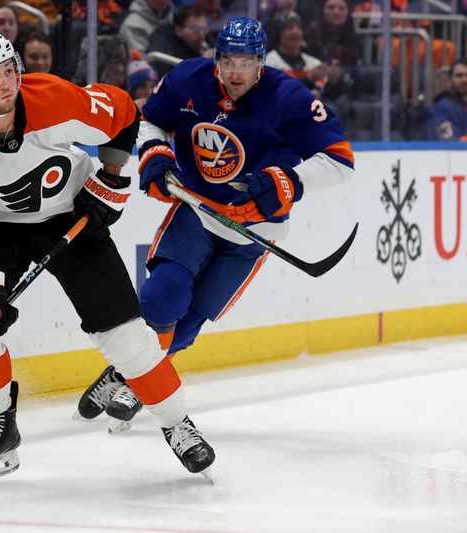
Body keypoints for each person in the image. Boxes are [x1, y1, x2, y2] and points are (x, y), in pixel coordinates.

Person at [0, 26, 214, 484]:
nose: (5, 83)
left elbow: (121, 112)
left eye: (7, 70)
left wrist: (112, 178)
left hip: (72, 218)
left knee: (125, 338)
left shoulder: (52, 98)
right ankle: (0, 424)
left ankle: (177, 422)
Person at [77, 17, 354, 431]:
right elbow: (149, 119)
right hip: (197, 210)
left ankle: (129, 375)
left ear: (261, 61)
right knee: (163, 295)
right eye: (228, 61)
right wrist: (154, 151)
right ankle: (135, 378)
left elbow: (340, 161)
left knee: (187, 326)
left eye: (246, 62)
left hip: (255, 231)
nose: (236, 72)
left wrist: (289, 180)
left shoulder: (290, 98)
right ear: (216, 58)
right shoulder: (187, 79)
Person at [146, 4, 210, 76]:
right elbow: (162, 69)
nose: (201, 34)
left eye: (203, 29)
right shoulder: (162, 41)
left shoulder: (205, 43)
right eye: (195, 29)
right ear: (178, 30)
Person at [428, 58, 467, 141]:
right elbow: (446, 139)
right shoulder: (442, 106)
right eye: (459, 75)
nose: (464, 80)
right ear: (450, 79)